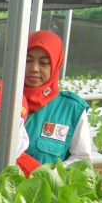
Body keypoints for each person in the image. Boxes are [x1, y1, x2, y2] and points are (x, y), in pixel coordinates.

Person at [23, 30, 92, 165]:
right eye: (28, 60)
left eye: (44, 63)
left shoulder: (71, 108)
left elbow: (81, 160)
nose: (34, 68)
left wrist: (45, 177)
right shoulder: (4, 99)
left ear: (55, 65)